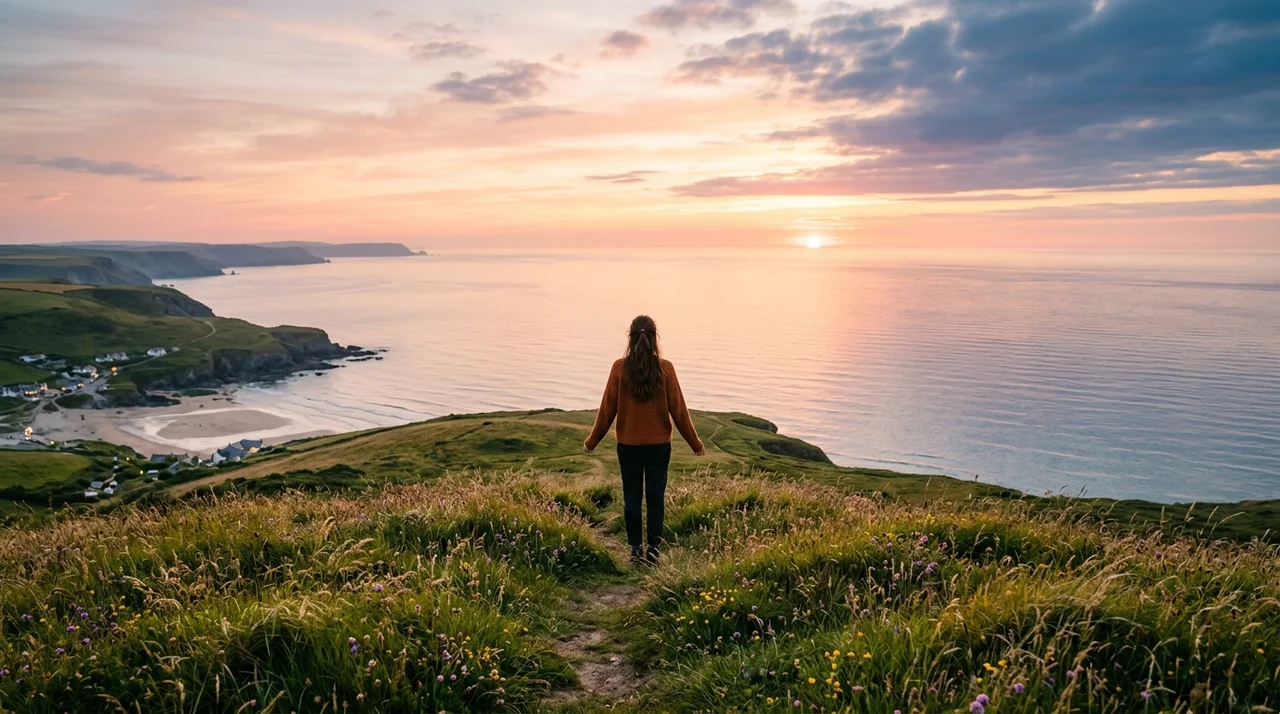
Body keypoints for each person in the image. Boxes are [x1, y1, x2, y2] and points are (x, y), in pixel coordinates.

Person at [583, 315, 705, 564]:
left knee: (632, 497)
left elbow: (607, 410)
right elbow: (679, 411)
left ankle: (635, 550)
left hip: (628, 446)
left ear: (631, 337)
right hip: (659, 447)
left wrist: (592, 441)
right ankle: (653, 550)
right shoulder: (666, 368)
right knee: (656, 498)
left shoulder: (619, 368)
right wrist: (696, 444)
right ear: (654, 338)